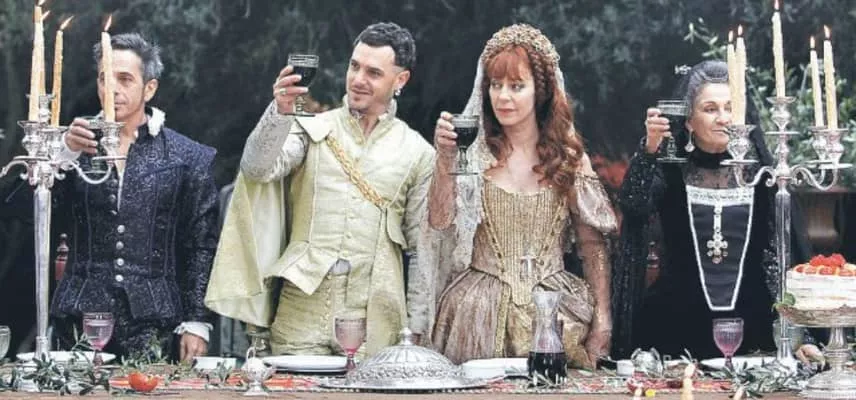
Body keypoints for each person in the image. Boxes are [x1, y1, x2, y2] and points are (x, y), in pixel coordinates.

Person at [205, 22, 435, 356]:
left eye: (373, 73)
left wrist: (416, 331)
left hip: (377, 319)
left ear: (400, 80)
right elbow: (256, 169)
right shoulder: (312, 129)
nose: (358, 79)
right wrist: (279, 112)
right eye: (354, 66)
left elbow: (422, 250)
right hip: (301, 310)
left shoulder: (418, 152)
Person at [419, 24, 616, 367]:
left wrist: (603, 320)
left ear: (541, 92)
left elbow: (592, 247)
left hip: (554, 311)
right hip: (477, 314)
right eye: (496, 85)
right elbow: (439, 221)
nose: (503, 97)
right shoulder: (472, 156)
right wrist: (445, 159)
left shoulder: (569, 160)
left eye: (516, 86)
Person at [611, 60, 812, 359]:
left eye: (730, 108)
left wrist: (799, 335)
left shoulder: (763, 176)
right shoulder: (670, 170)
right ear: (689, 121)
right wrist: (649, 150)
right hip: (675, 329)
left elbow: (785, 256)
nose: (723, 118)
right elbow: (634, 205)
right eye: (710, 109)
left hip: (755, 329)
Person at [51, 33, 219, 362]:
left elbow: (201, 245)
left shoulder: (186, 156)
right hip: (78, 318)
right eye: (104, 78)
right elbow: (32, 216)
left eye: (125, 79)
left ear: (149, 88)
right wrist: (64, 154)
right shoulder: (73, 146)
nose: (112, 89)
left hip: (156, 323)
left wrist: (198, 321)